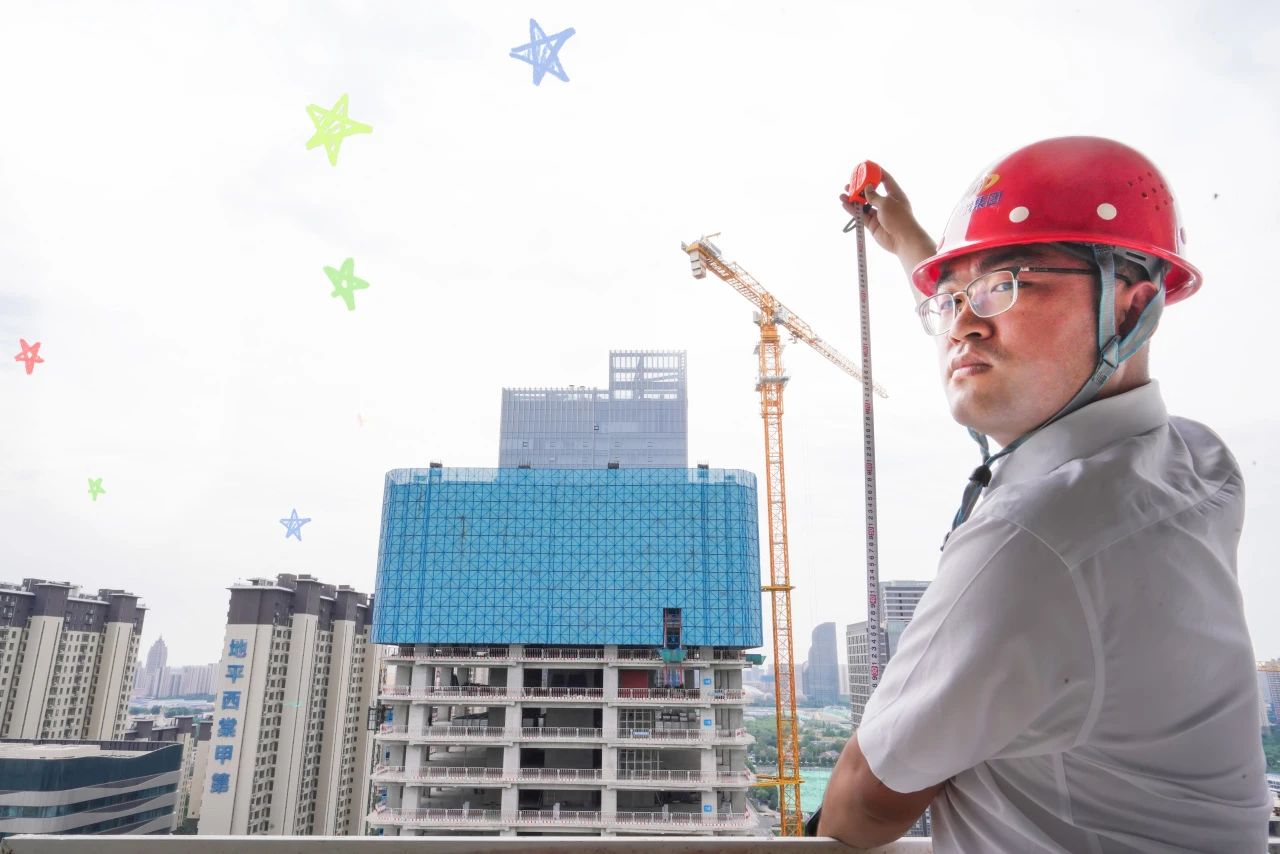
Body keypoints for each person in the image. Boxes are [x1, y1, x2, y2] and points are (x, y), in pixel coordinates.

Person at [809, 137, 1271, 852]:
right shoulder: (1200, 465)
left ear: (1132, 309)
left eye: (1009, 283)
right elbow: (987, 336)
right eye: (951, 298)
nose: (962, 324)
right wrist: (910, 240)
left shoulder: (1034, 545)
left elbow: (864, 805)